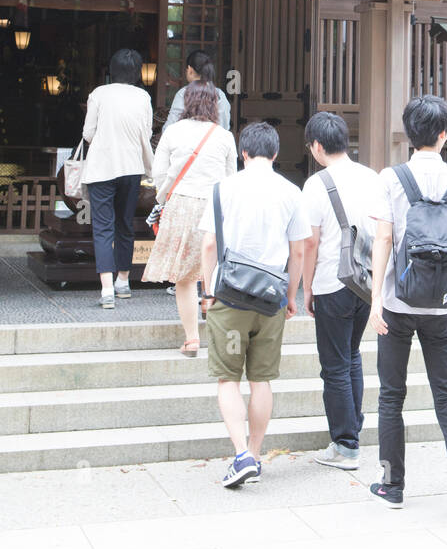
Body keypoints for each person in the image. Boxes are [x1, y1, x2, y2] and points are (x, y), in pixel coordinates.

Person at [370, 95, 447, 516]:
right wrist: (446, 265)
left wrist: (376, 298)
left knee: (390, 396)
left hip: (398, 303)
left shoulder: (391, 178)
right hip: (445, 304)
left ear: (408, 134)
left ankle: (391, 484)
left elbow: (383, 239)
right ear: (444, 134)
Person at [200, 122, 310, 487]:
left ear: (242, 153)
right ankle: (256, 454)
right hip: (270, 300)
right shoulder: (291, 192)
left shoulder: (223, 189)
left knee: (227, 378)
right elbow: (299, 250)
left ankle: (240, 454)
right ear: (275, 154)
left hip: (229, 298)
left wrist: (207, 292)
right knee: (261, 380)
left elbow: (209, 247)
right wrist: (291, 295)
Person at [301, 111, 379, 469]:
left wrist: (306, 288)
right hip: (365, 283)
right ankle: (353, 427)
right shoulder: (372, 177)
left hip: (332, 283)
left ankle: (346, 445)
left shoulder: (316, 184)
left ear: (317, 146)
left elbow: (310, 245)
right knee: (352, 356)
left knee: (334, 365)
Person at [144, 81, 237, 354]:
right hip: (214, 206)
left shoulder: (173, 132)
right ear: (214, 105)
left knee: (184, 278)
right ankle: (215, 325)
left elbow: (158, 173)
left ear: (187, 103)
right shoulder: (223, 136)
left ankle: (192, 338)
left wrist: (165, 197)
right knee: (214, 270)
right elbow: (231, 179)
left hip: (181, 204)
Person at [82, 48, 153, 309]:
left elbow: (88, 133)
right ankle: (124, 280)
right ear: (137, 73)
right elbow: (146, 131)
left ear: (111, 71)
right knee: (125, 223)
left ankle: (106, 289)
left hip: (102, 168)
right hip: (131, 168)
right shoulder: (143, 97)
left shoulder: (99, 94)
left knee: (103, 227)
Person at [164, 50, 231, 130]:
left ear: (190, 70)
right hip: (215, 141)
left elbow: (170, 127)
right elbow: (224, 126)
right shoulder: (220, 95)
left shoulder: (184, 93)